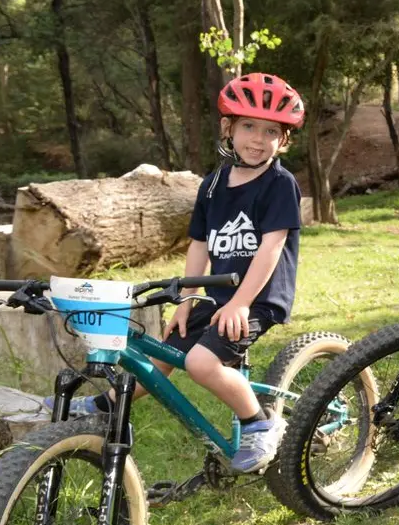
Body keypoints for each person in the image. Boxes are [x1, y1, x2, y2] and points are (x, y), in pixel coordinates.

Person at [53, 73, 306, 473]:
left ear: (284, 139)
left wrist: (241, 304)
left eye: (271, 131)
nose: (258, 139)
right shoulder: (213, 184)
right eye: (249, 127)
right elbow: (199, 244)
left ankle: (260, 422)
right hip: (215, 294)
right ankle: (105, 405)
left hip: (256, 300)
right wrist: (187, 301)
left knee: (203, 364)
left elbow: (271, 248)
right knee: (167, 348)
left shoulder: (279, 184)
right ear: (229, 128)